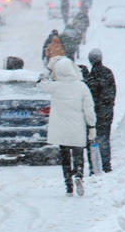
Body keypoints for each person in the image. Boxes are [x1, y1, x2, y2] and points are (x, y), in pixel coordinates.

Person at [40, 57, 96, 196]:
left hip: (61, 129)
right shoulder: (82, 87)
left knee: (65, 156)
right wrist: (91, 126)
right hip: (77, 128)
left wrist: (49, 70)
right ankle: (78, 175)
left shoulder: (55, 86)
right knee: (78, 154)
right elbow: (89, 109)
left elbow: (40, 83)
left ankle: (69, 186)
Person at [87, 48, 116, 172]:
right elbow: (112, 92)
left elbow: (90, 95)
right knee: (105, 138)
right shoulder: (108, 72)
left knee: (93, 139)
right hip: (107, 112)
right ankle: (106, 165)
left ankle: (94, 167)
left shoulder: (91, 76)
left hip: (95, 113)